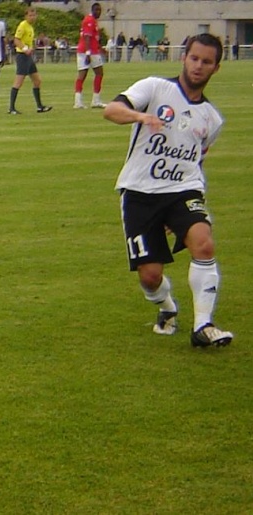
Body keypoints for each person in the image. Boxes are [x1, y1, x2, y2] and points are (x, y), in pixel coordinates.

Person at [103, 33, 233, 348]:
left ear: (216, 68)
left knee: (204, 243)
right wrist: (140, 116)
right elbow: (111, 110)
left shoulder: (212, 119)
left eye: (206, 61)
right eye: (194, 58)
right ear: (183, 58)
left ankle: (204, 325)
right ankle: (166, 306)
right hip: (139, 193)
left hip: (182, 190)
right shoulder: (155, 88)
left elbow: (197, 160)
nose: (198, 66)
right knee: (150, 276)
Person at [8, 8, 52, 115]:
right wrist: (25, 49)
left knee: (37, 81)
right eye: (30, 15)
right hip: (22, 56)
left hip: (28, 57)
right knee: (18, 81)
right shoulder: (23, 25)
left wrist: (31, 48)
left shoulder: (30, 27)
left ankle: (39, 106)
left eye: (34, 15)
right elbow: (16, 40)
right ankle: (11, 108)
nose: (32, 17)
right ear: (26, 16)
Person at [74, 2, 106, 109]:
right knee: (84, 75)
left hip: (92, 51)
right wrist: (88, 53)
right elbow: (87, 38)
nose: (99, 12)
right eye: (97, 10)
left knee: (97, 73)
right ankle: (84, 101)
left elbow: (94, 38)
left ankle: (88, 100)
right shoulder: (89, 20)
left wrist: (100, 48)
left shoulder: (93, 21)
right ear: (92, 10)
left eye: (100, 10)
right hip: (87, 52)